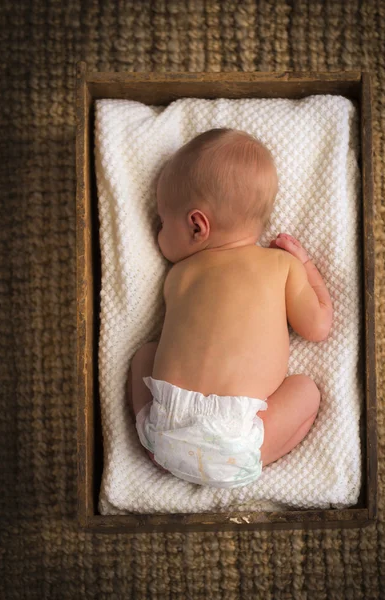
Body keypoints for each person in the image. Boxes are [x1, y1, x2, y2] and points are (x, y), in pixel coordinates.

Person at [126, 128, 333, 488]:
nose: (157, 233)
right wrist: (306, 266)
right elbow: (318, 327)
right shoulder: (282, 265)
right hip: (235, 444)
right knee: (307, 391)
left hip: (165, 430)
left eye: (162, 222)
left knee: (144, 355)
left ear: (196, 226)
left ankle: (156, 449)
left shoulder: (179, 276)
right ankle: (249, 462)